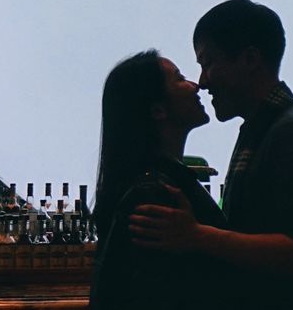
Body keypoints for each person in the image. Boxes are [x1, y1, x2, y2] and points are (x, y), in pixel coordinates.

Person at [130, 0, 293, 310]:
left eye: (208, 63)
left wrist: (197, 236)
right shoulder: (266, 131)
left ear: (250, 59)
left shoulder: (292, 135)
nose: (203, 82)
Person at [89, 50, 230, 310]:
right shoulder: (154, 194)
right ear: (157, 110)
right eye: (180, 79)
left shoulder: (148, 183)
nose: (195, 85)